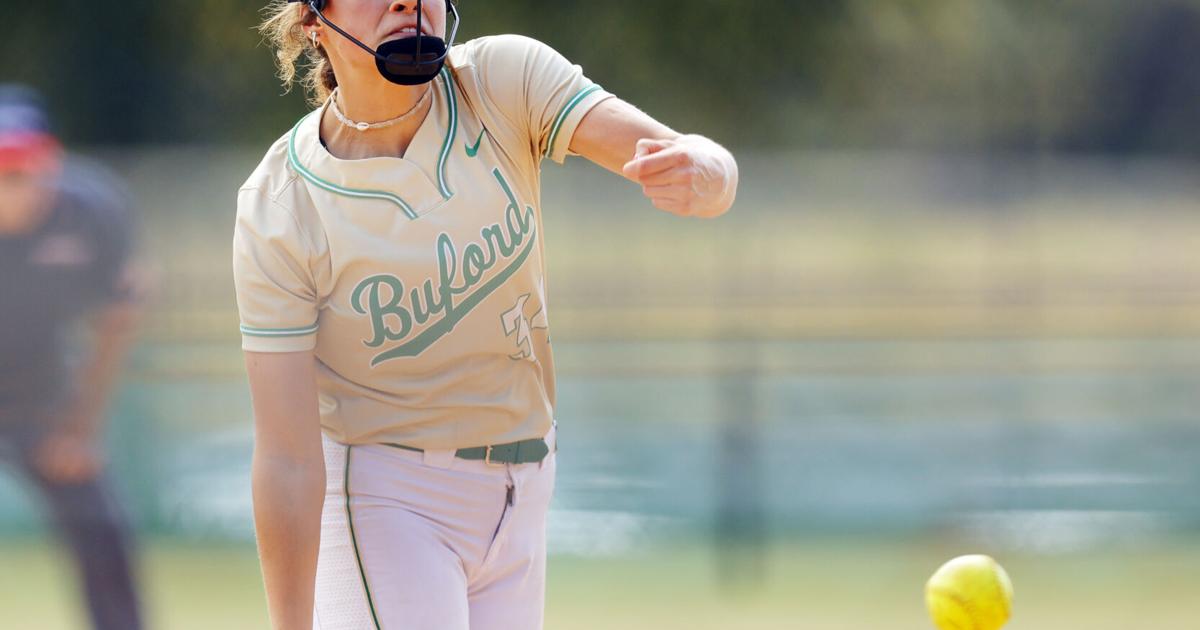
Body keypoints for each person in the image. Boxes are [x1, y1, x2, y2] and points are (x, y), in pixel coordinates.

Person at [237, 1, 738, 628]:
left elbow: (678, 153)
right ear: (313, 18)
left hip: (526, 488)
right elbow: (286, 458)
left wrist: (712, 172)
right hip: (388, 497)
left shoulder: (500, 82)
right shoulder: (282, 203)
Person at [0, 84, 145, 630]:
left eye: (27, 165)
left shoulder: (91, 210)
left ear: (50, 159)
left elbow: (119, 314)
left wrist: (80, 427)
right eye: (4, 168)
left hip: (42, 394)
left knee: (99, 525)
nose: (18, 181)